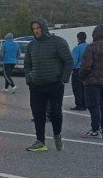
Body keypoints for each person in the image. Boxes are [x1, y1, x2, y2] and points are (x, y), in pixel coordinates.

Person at [24, 19, 73, 152]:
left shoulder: (58, 42)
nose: (36, 31)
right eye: (33, 29)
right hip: (36, 86)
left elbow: (68, 61)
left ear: (44, 28)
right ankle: (40, 141)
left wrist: (63, 79)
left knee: (56, 113)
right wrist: (29, 79)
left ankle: (57, 135)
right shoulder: (31, 45)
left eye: (38, 28)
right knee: (37, 113)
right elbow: (27, 64)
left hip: (54, 85)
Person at [70, 31, 88, 111]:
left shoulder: (77, 48)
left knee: (77, 88)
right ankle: (85, 104)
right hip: (88, 70)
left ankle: (79, 105)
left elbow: (74, 61)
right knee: (85, 88)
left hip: (78, 70)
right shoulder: (89, 47)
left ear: (78, 39)